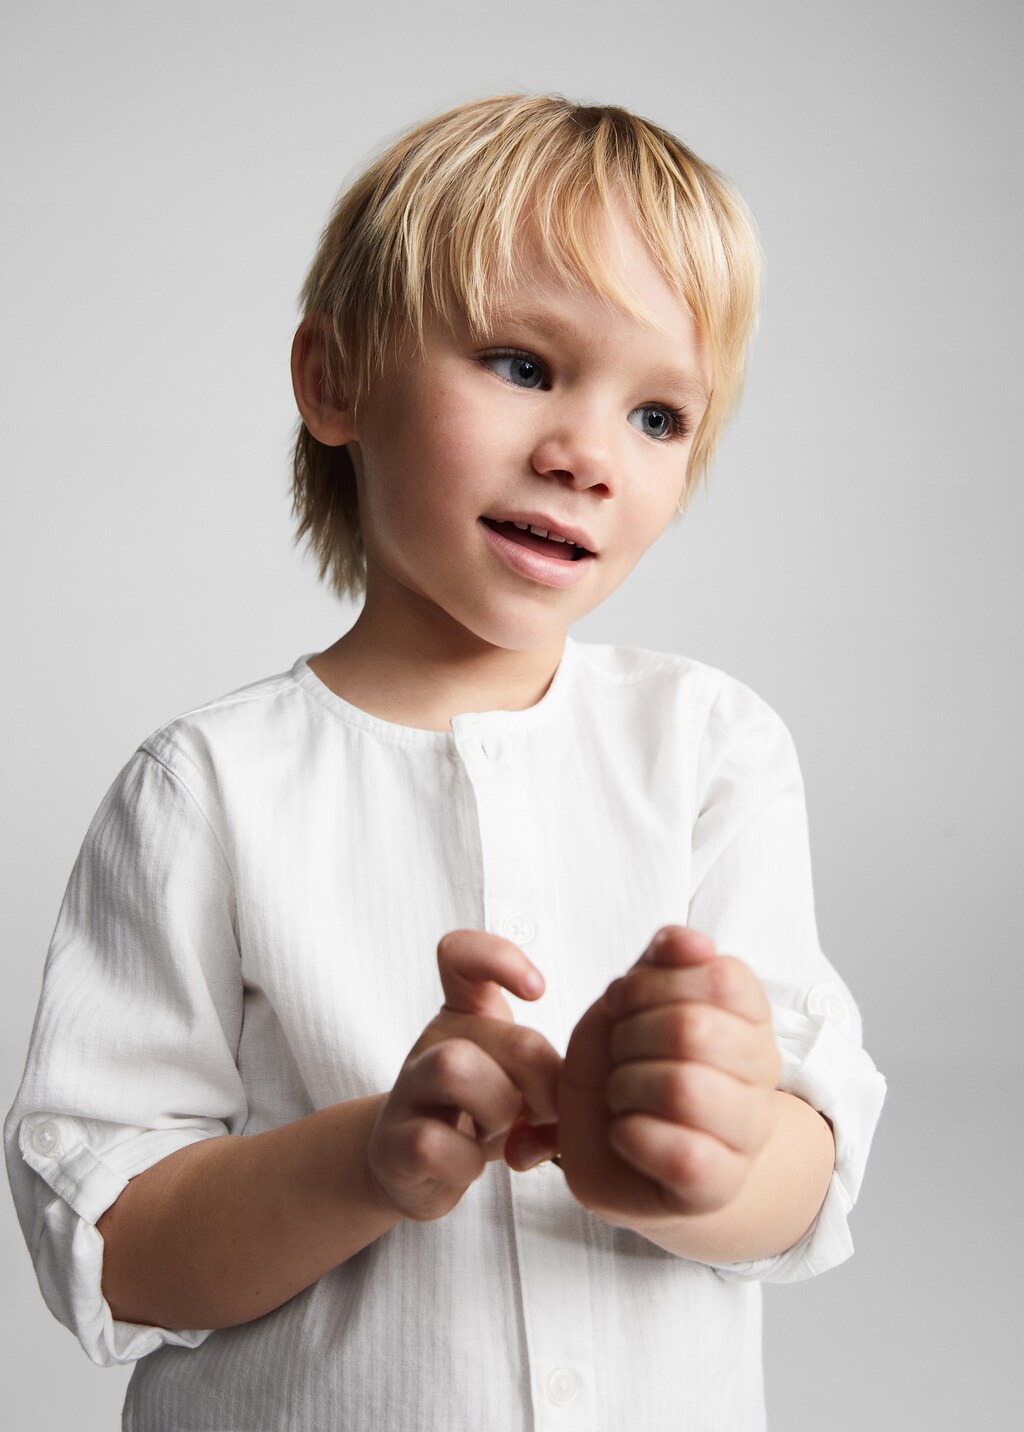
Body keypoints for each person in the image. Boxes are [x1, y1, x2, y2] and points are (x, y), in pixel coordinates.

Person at [5, 94, 886, 1431]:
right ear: (335, 381)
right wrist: (368, 1161)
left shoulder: (712, 751)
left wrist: (715, 1148)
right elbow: (112, 1246)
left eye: (658, 416)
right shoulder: (208, 790)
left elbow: (809, 1178)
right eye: (525, 365)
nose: (587, 454)